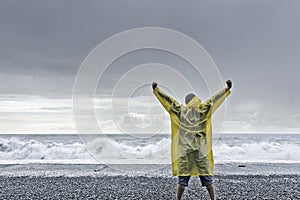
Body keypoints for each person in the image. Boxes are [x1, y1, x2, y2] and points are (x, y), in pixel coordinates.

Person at [152, 80, 232, 200]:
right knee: (207, 177)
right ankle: (213, 199)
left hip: (186, 151)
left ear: (186, 102)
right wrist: (226, 89)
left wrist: (156, 90)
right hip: (201, 151)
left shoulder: (181, 111)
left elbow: (169, 101)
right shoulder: (203, 110)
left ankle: (178, 199)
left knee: (183, 179)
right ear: (197, 100)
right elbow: (214, 100)